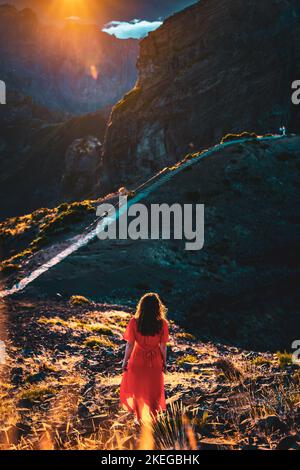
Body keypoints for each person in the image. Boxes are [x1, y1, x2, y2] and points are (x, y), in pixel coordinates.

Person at [120, 293, 169, 421]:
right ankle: (153, 417)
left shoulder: (134, 322)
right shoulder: (162, 323)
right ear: (158, 307)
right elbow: (163, 347)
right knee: (154, 389)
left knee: (137, 388)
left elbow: (130, 344)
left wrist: (125, 361)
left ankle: (139, 417)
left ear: (141, 306)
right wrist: (164, 362)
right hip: (155, 360)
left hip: (137, 359)